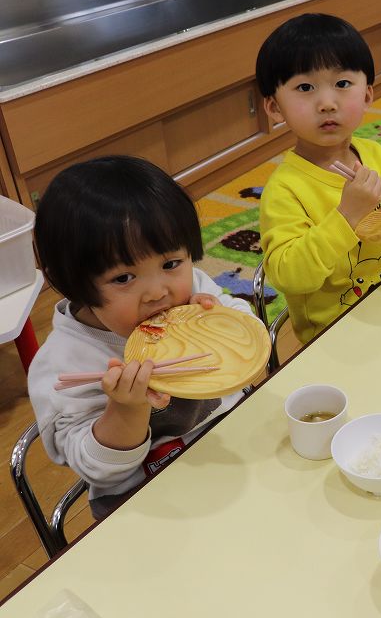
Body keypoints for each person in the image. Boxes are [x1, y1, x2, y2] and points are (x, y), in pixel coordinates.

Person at [28, 156, 257, 519]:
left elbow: (250, 332)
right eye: (123, 278)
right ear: (74, 283)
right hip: (146, 493)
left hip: (231, 439)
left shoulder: (193, 290)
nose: (157, 292)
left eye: (170, 264)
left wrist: (220, 323)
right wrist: (126, 408)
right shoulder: (63, 364)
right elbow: (96, 468)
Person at [256, 13, 381, 344]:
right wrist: (347, 216)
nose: (327, 103)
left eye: (342, 84)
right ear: (275, 108)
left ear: (367, 95)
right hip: (334, 334)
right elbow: (289, 276)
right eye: (305, 87)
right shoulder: (285, 189)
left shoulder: (376, 156)